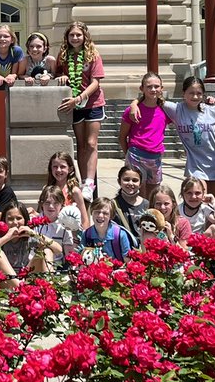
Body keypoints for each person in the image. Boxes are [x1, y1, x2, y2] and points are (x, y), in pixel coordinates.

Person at [55, 21, 105, 197]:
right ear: (67, 37)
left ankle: (90, 183)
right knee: (81, 144)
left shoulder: (93, 55)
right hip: (74, 106)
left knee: (92, 143)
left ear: (85, 36)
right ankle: (84, 181)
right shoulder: (63, 55)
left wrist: (80, 98)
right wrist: (61, 77)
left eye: (78, 35)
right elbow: (58, 73)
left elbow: (96, 82)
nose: (75, 38)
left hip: (92, 103)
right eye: (72, 35)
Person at [161, 75, 215, 197]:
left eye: (199, 93)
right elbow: (153, 98)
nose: (195, 97)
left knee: (211, 205)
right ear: (183, 93)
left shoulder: (211, 110)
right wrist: (134, 103)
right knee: (200, 199)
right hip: (194, 166)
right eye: (191, 93)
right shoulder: (176, 110)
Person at [119, 72, 169, 204]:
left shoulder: (165, 110)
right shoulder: (133, 111)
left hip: (155, 157)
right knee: (136, 193)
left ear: (161, 88)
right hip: (136, 155)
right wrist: (128, 154)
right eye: (149, 86)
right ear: (142, 89)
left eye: (156, 86)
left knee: (153, 195)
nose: (153, 89)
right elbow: (122, 136)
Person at [82, 197, 135, 262]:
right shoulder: (87, 235)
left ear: (111, 216)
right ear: (91, 213)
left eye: (105, 213)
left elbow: (128, 261)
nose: (100, 216)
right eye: (97, 212)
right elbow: (82, 258)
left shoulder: (120, 235)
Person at [46, 150, 90, 225]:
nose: (58, 170)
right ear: (51, 169)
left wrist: (84, 236)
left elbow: (85, 220)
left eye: (62, 167)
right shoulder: (47, 189)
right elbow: (43, 215)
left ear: (70, 169)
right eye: (55, 167)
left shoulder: (74, 191)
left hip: (69, 233)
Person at [178, 175, 215, 243]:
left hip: (198, 242)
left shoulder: (203, 208)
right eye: (189, 193)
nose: (193, 197)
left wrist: (214, 203)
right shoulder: (178, 210)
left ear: (203, 194)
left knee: (214, 228)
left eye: (197, 193)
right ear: (183, 194)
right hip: (181, 241)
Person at [109, 164, 149, 242]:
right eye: (126, 179)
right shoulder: (112, 205)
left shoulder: (146, 205)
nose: (130, 183)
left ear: (140, 183)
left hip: (143, 249)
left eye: (135, 180)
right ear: (119, 181)